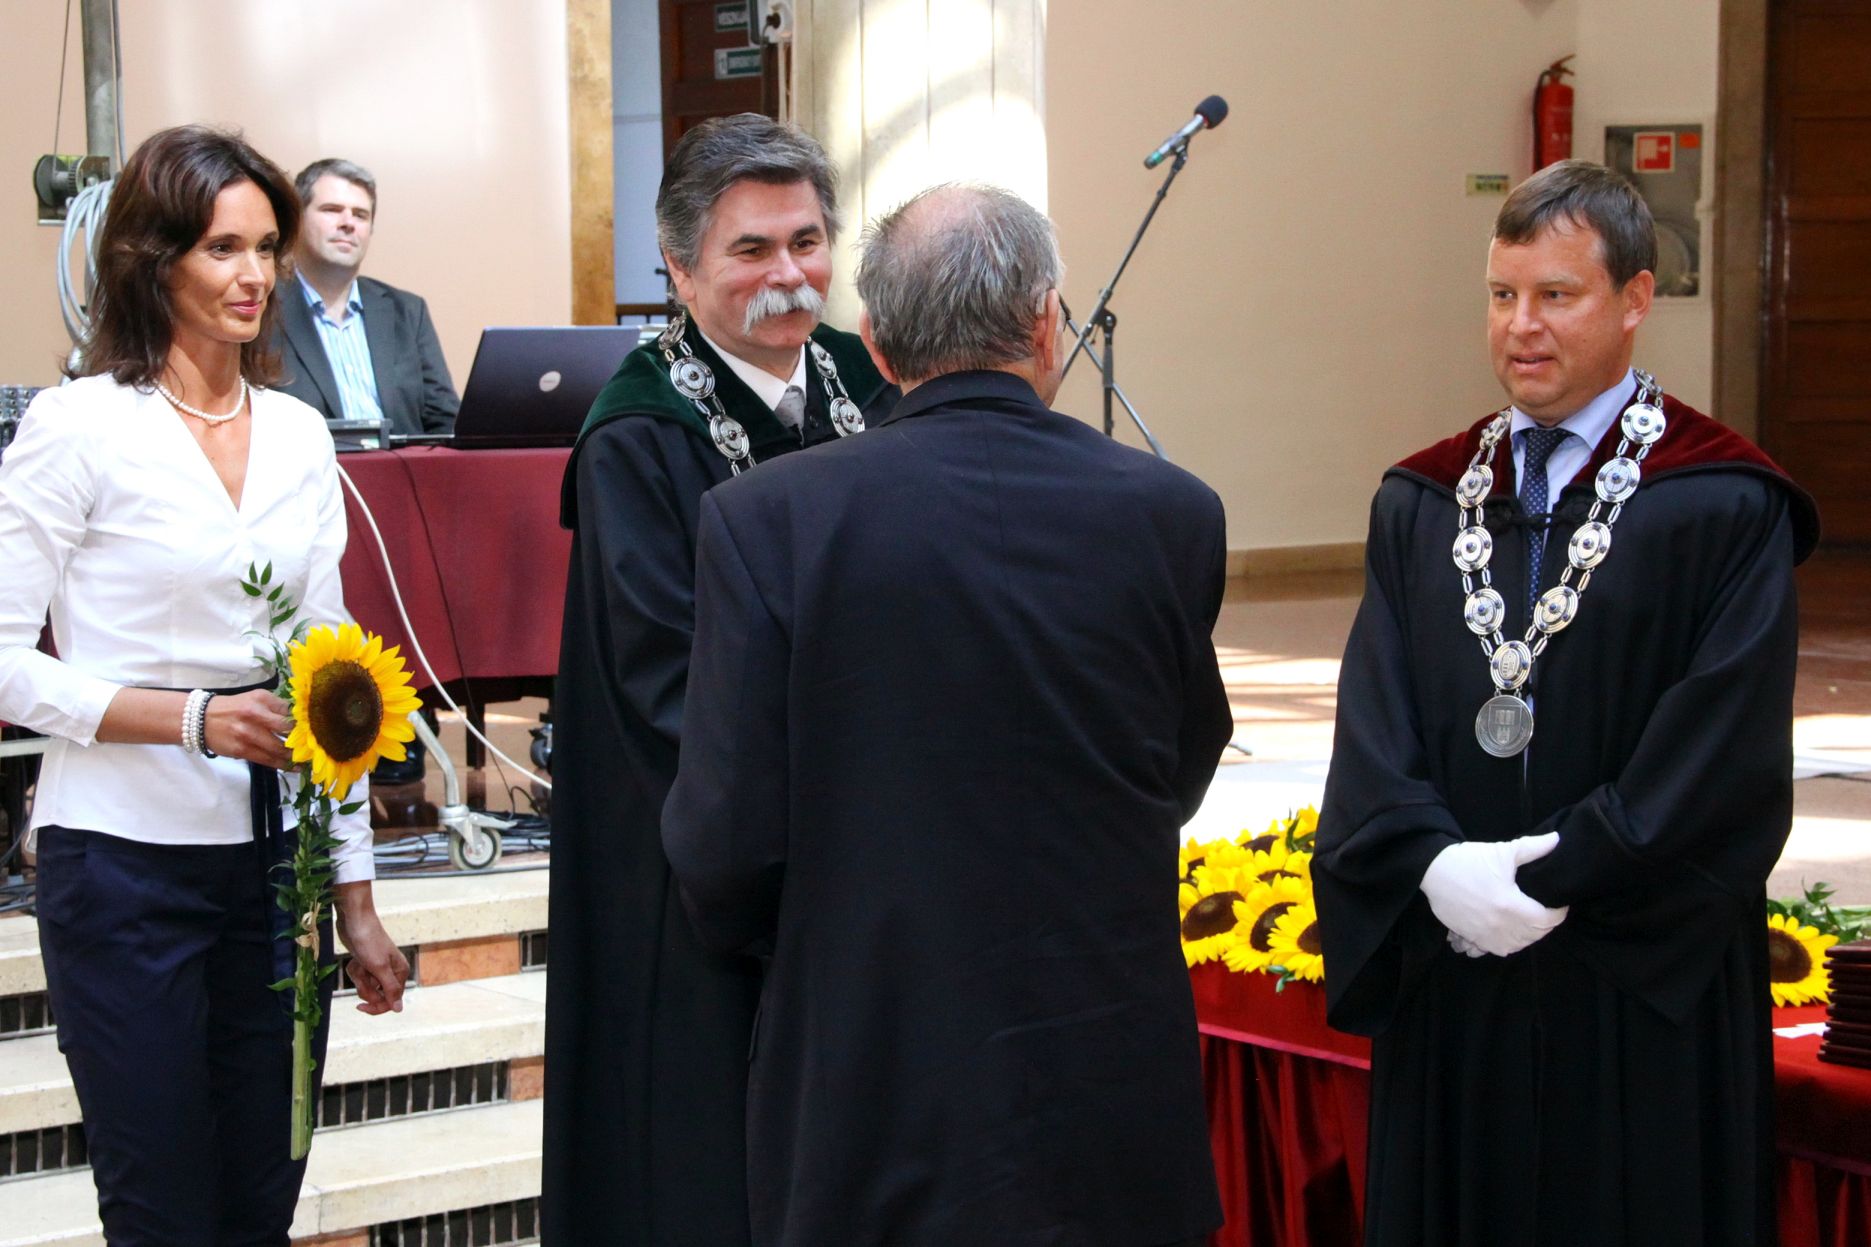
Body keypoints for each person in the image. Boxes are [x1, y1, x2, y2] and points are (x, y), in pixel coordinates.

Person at [662, 183, 1230, 1247]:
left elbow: (723, 838)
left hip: (873, 1062)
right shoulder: (1171, 511)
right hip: (1104, 1057)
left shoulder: (766, 519)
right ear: (1046, 323)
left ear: (875, 343)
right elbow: (1182, 760)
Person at [1312, 159, 1819, 1245]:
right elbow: (1373, 719)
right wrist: (1435, 867)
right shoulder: (1423, 501)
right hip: (1456, 966)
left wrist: (1550, 877)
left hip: (1633, 980)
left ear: (1633, 299)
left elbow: (1719, 753)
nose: (1520, 327)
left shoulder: (1723, 503)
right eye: (1501, 294)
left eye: (1555, 294)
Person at [0, 126, 409, 1241]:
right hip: (119, 869)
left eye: (266, 247)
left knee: (262, 1193)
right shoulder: (79, 425)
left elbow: (333, 678)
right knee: (163, 1207)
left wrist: (356, 897)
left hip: (276, 871)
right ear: (153, 257)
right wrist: (192, 719)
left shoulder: (298, 431)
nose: (255, 274)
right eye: (223, 248)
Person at [543, 113, 897, 1246]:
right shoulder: (636, 435)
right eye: (750, 249)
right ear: (679, 266)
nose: (787, 274)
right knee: (709, 1144)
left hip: (871, 834)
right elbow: (664, 672)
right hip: (709, 846)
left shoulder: (870, 381)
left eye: (806, 241)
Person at [269, 157, 459, 436]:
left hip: (403, 463)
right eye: (332, 210)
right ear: (297, 219)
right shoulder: (263, 307)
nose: (348, 223)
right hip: (310, 463)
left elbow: (445, 419)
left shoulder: (407, 311)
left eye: (360, 215)